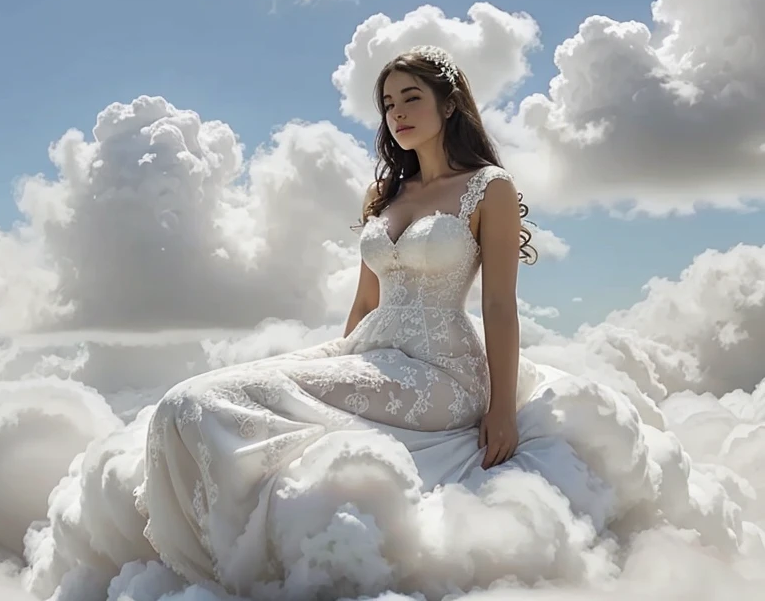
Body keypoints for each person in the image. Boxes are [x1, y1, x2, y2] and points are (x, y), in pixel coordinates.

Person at [132, 48, 698, 593]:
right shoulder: (384, 194)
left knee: (205, 405)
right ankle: (227, 558)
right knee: (188, 401)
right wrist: (329, 362)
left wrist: (501, 410)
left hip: (442, 371)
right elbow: (364, 304)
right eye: (386, 104)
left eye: (410, 98)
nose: (396, 113)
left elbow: (499, 305)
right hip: (370, 352)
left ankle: (245, 570)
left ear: (449, 104)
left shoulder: (489, 187)